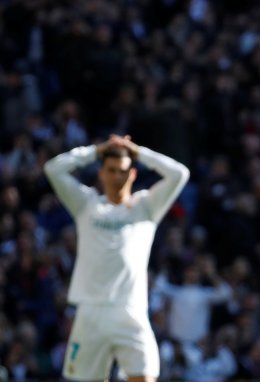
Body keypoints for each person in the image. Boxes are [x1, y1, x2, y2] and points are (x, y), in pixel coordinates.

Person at [44, 134, 190, 382]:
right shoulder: (86, 204)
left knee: (144, 377)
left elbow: (179, 174)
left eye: (122, 171)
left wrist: (138, 151)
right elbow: (53, 169)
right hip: (90, 311)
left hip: (130, 309)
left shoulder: (147, 206)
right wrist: (95, 151)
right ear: (101, 173)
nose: (116, 177)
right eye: (110, 170)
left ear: (132, 174)